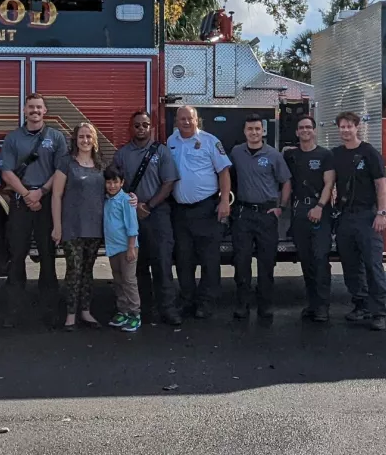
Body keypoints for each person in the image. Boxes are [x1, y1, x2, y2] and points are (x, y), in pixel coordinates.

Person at [0, 93, 68, 327]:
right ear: (24, 111)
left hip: (47, 201)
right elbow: (7, 172)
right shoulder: (12, 138)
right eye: (31, 107)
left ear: (45, 111)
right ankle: (13, 312)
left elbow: (61, 170)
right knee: (16, 256)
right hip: (21, 201)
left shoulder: (56, 137)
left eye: (39, 107)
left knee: (48, 257)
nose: (35, 111)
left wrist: (41, 192)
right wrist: (29, 194)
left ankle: (49, 312)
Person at [113, 110, 181, 326]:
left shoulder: (161, 151)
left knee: (162, 263)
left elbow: (169, 183)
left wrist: (149, 206)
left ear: (151, 127)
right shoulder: (122, 154)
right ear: (130, 128)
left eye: (145, 125)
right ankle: (145, 310)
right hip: (131, 216)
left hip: (158, 213)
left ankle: (167, 310)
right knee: (137, 266)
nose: (141, 129)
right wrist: (133, 206)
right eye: (137, 125)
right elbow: (115, 185)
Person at [168, 105, 232, 319]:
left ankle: (206, 302)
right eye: (182, 119)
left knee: (209, 259)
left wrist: (224, 201)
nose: (186, 122)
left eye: (190, 118)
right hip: (180, 212)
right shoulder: (171, 142)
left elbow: (223, 171)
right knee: (184, 259)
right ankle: (187, 300)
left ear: (197, 120)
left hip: (206, 209)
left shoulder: (210, 141)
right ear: (176, 121)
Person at [228, 114, 291, 320]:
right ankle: (242, 304)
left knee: (266, 263)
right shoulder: (236, 153)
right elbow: (227, 176)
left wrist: (281, 206)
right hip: (243, 214)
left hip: (266, 215)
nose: (254, 133)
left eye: (257, 129)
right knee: (242, 262)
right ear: (244, 131)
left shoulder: (273, 155)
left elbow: (286, 182)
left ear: (263, 131)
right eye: (250, 129)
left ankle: (265, 304)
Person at [332, 111, 386, 331]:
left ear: (357, 128)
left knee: (373, 265)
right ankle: (361, 305)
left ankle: (379, 312)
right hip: (345, 217)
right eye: (342, 127)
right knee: (351, 265)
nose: (345, 130)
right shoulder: (336, 154)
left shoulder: (369, 153)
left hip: (368, 217)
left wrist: (381, 213)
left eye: (349, 126)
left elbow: (381, 185)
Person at [50, 122, 106, 331]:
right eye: (81, 137)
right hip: (72, 227)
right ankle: (70, 315)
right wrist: (57, 226)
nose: (85, 141)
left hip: (94, 227)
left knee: (88, 271)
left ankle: (86, 312)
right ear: (75, 140)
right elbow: (56, 195)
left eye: (88, 137)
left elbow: (112, 191)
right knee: (74, 270)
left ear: (94, 140)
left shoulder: (101, 164)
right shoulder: (66, 163)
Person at [284, 115, 335, 322]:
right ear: (296, 132)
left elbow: (329, 184)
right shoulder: (290, 156)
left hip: (319, 212)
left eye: (308, 127)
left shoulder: (325, 155)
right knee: (306, 261)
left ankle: (323, 306)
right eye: (301, 128)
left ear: (314, 131)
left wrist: (320, 207)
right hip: (299, 212)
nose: (305, 130)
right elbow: (285, 182)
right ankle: (312, 304)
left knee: (320, 259)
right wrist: (281, 206)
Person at [103, 165, 141, 333]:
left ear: (122, 182)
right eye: (109, 182)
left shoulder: (126, 200)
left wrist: (131, 247)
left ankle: (135, 314)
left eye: (115, 182)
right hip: (113, 249)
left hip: (127, 248)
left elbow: (132, 225)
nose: (112, 186)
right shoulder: (106, 200)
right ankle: (123, 311)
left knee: (129, 281)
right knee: (118, 280)